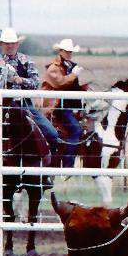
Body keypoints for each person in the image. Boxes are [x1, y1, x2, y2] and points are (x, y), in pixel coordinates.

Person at [0, 28, 59, 155]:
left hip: (24, 104)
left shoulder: (26, 61)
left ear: (17, 44)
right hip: (1, 105)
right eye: (6, 43)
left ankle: (49, 167)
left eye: (12, 43)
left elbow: (35, 82)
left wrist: (20, 80)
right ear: (1, 44)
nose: (10, 46)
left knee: (52, 134)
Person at [41, 38, 89, 168]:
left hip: (66, 105)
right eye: (67, 51)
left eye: (70, 51)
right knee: (76, 130)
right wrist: (73, 75)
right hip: (57, 107)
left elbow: (69, 86)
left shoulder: (68, 66)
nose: (69, 54)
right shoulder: (53, 68)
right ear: (61, 51)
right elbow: (60, 82)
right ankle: (68, 165)